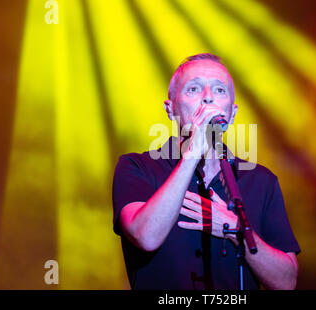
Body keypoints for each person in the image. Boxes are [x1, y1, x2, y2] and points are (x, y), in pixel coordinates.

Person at [112, 53, 300, 290]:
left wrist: (236, 231)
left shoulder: (261, 181)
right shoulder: (137, 167)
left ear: (232, 113)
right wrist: (193, 153)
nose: (208, 97)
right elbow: (145, 236)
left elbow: (287, 282)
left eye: (219, 90)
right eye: (193, 89)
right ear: (170, 110)